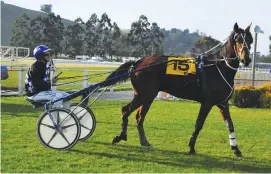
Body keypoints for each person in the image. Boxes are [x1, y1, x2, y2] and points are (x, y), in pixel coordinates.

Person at [25, 45, 70, 109]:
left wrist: (51, 81)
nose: (49, 56)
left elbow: (45, 84)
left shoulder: (45, 66)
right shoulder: (35, 67)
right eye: (46, 54)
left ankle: (65, 115)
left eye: (49, 54)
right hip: (35, 94)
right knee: (58, 96)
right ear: (40, 56)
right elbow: (36, 84)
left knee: (67, 96)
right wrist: (51, 82)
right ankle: (54, 117)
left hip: (43, 92)